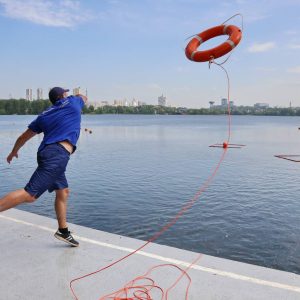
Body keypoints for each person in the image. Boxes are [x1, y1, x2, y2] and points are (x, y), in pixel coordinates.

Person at [0, 87, 87, 247]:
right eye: (65, 93)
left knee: (63, 191)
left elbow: (23, 137)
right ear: (62, 96)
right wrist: (74, 96)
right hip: (57, 156)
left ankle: (63, 231)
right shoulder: (74, 102)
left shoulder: (44, 115)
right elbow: (83, 97)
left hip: (47, 152)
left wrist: (14, 151)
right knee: (30, 195)